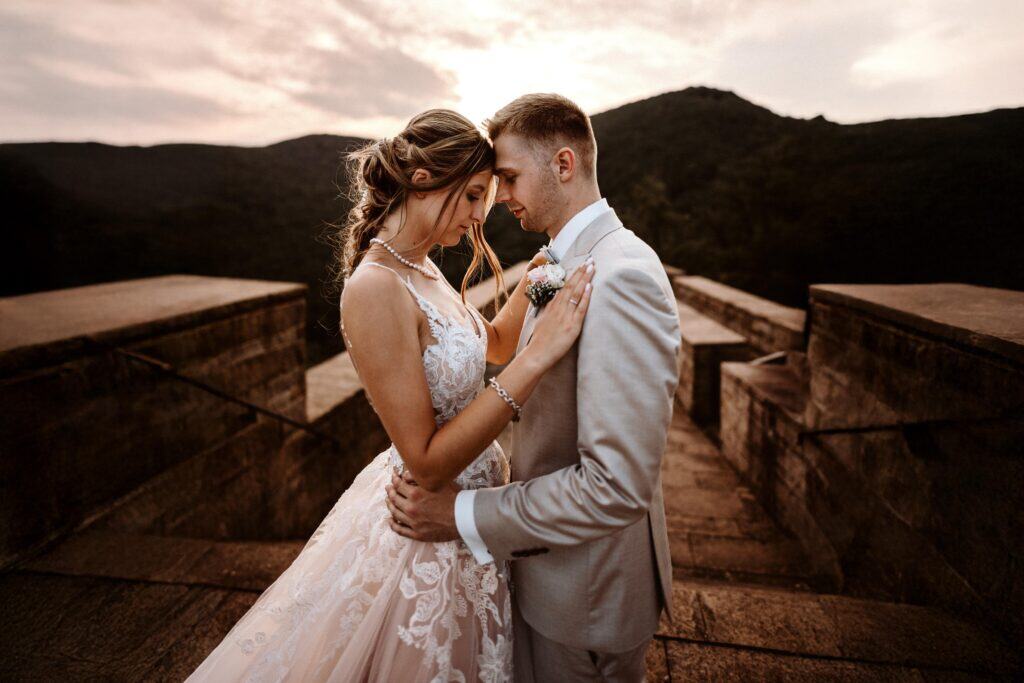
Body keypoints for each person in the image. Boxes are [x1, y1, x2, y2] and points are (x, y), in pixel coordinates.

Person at [185, 109, 595, 682]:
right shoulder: (375, 287)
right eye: (474, 195)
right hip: (427, 526)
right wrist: (538, 357)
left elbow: (491, 344)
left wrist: (537, 279)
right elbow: (426, 462)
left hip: (471, 514)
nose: (482, 215)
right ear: (424, 178)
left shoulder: (423, 267)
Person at [387, 94, 682, 682]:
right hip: (555, 574)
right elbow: (499, 345)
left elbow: (615, 486)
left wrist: (462, 515)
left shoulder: (620, 277)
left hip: (587, 598)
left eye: (510, 178)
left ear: (565, 164)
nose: (501, 200)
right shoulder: (563, 263)